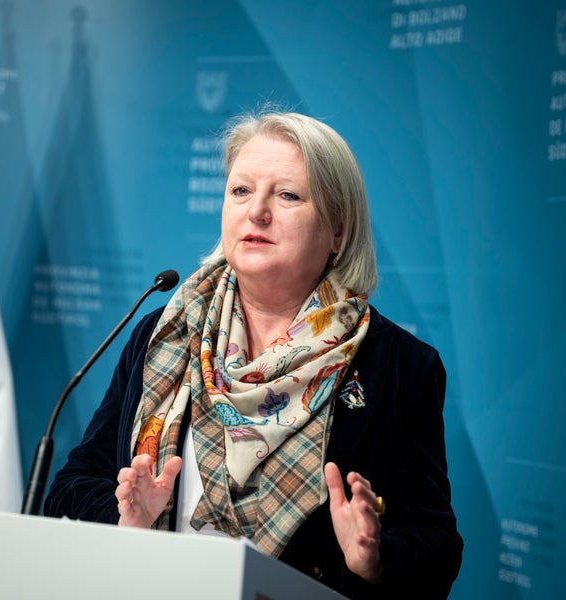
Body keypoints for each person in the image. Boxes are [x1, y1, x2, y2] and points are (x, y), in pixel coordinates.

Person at [44, 111, 463, 598]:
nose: (256, 211)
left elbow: (436, 545)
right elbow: (71, 487)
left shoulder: (398, 366)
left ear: (338, 231)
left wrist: (372, 558)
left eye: (287, 195)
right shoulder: (165, 335)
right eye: (241, 190)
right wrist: (125, 519)